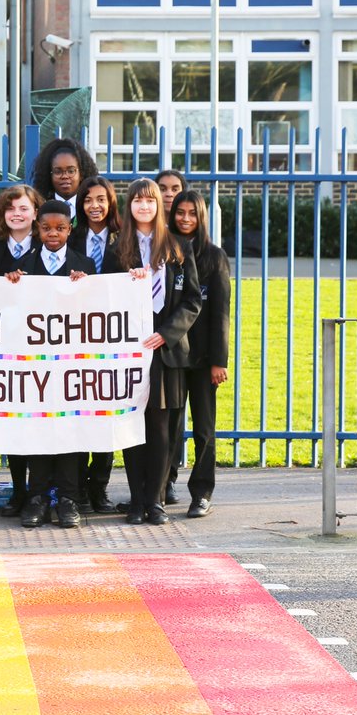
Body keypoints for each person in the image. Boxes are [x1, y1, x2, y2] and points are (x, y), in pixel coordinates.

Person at [106, 178, 201, 526]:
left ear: (160, 205)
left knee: (161, 428)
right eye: (138, 201)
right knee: (132, 424)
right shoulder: (118, 249)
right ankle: (135, 500)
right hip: (130, 349)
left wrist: (166, 333)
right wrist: (125, 284)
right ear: (129, 206)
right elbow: (105, 296)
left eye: (150, 201)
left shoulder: (178, 246)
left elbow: (192, 299)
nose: (144, 207)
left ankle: (156, 500)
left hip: (165, 350)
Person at [5, 199, 95, 529]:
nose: (53, 234)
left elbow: (96, 312)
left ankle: (69, 499)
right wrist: (13, 285)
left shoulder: (84, 265)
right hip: (35, 367)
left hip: (71, 365)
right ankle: (38, 497)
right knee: (39, 430)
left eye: (60, 228)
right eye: (46, 228)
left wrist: (86, 287)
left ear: (70, 229)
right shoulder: (22, 267)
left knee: (70, 430)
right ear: (36, 229)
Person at [169, 190, 231, 518]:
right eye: (180, 212)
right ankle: (165, 484)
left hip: (205, 358)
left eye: (192, 213)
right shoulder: (165, 252)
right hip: (173, 355)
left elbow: (221, 312)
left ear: (202, 216)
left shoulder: (215, 257)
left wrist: (220, 361)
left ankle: (202, 491)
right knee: (169, 425)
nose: (186, 219)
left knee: (204, 427)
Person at [0, 184, 43, 516]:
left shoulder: (47, 248)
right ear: (2, 214)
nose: (17, 214)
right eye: (10, 209)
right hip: (3, 349)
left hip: (38, 348)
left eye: (23, 208)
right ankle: (18, 490)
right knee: (12, 425)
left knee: (37, 423)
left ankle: (36, 492)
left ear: (35, 212)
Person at [70, 174, 122, 513]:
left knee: (106, 413)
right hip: (74, 333)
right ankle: (76, 488)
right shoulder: (70, 237)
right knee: (77, 413)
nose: (95, 206)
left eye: (101, 199)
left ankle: (99, 486)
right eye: (88, 200)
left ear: (111, 202)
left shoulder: (125, 237)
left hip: (113, 334)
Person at [154, 167, 188, 502]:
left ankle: (170, 478)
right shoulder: (137, 236)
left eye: (174, 188)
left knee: (175, 418)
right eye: (161, 188)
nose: (167, 194)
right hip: (141, 344)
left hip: (178, 343)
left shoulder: (184, 239)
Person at [30, 136, 96, 220]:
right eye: (58, 172)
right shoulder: (40, 208)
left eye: (71, 171)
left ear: (81, 174)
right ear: (49, 175)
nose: (65, 176)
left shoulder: (90, 207)